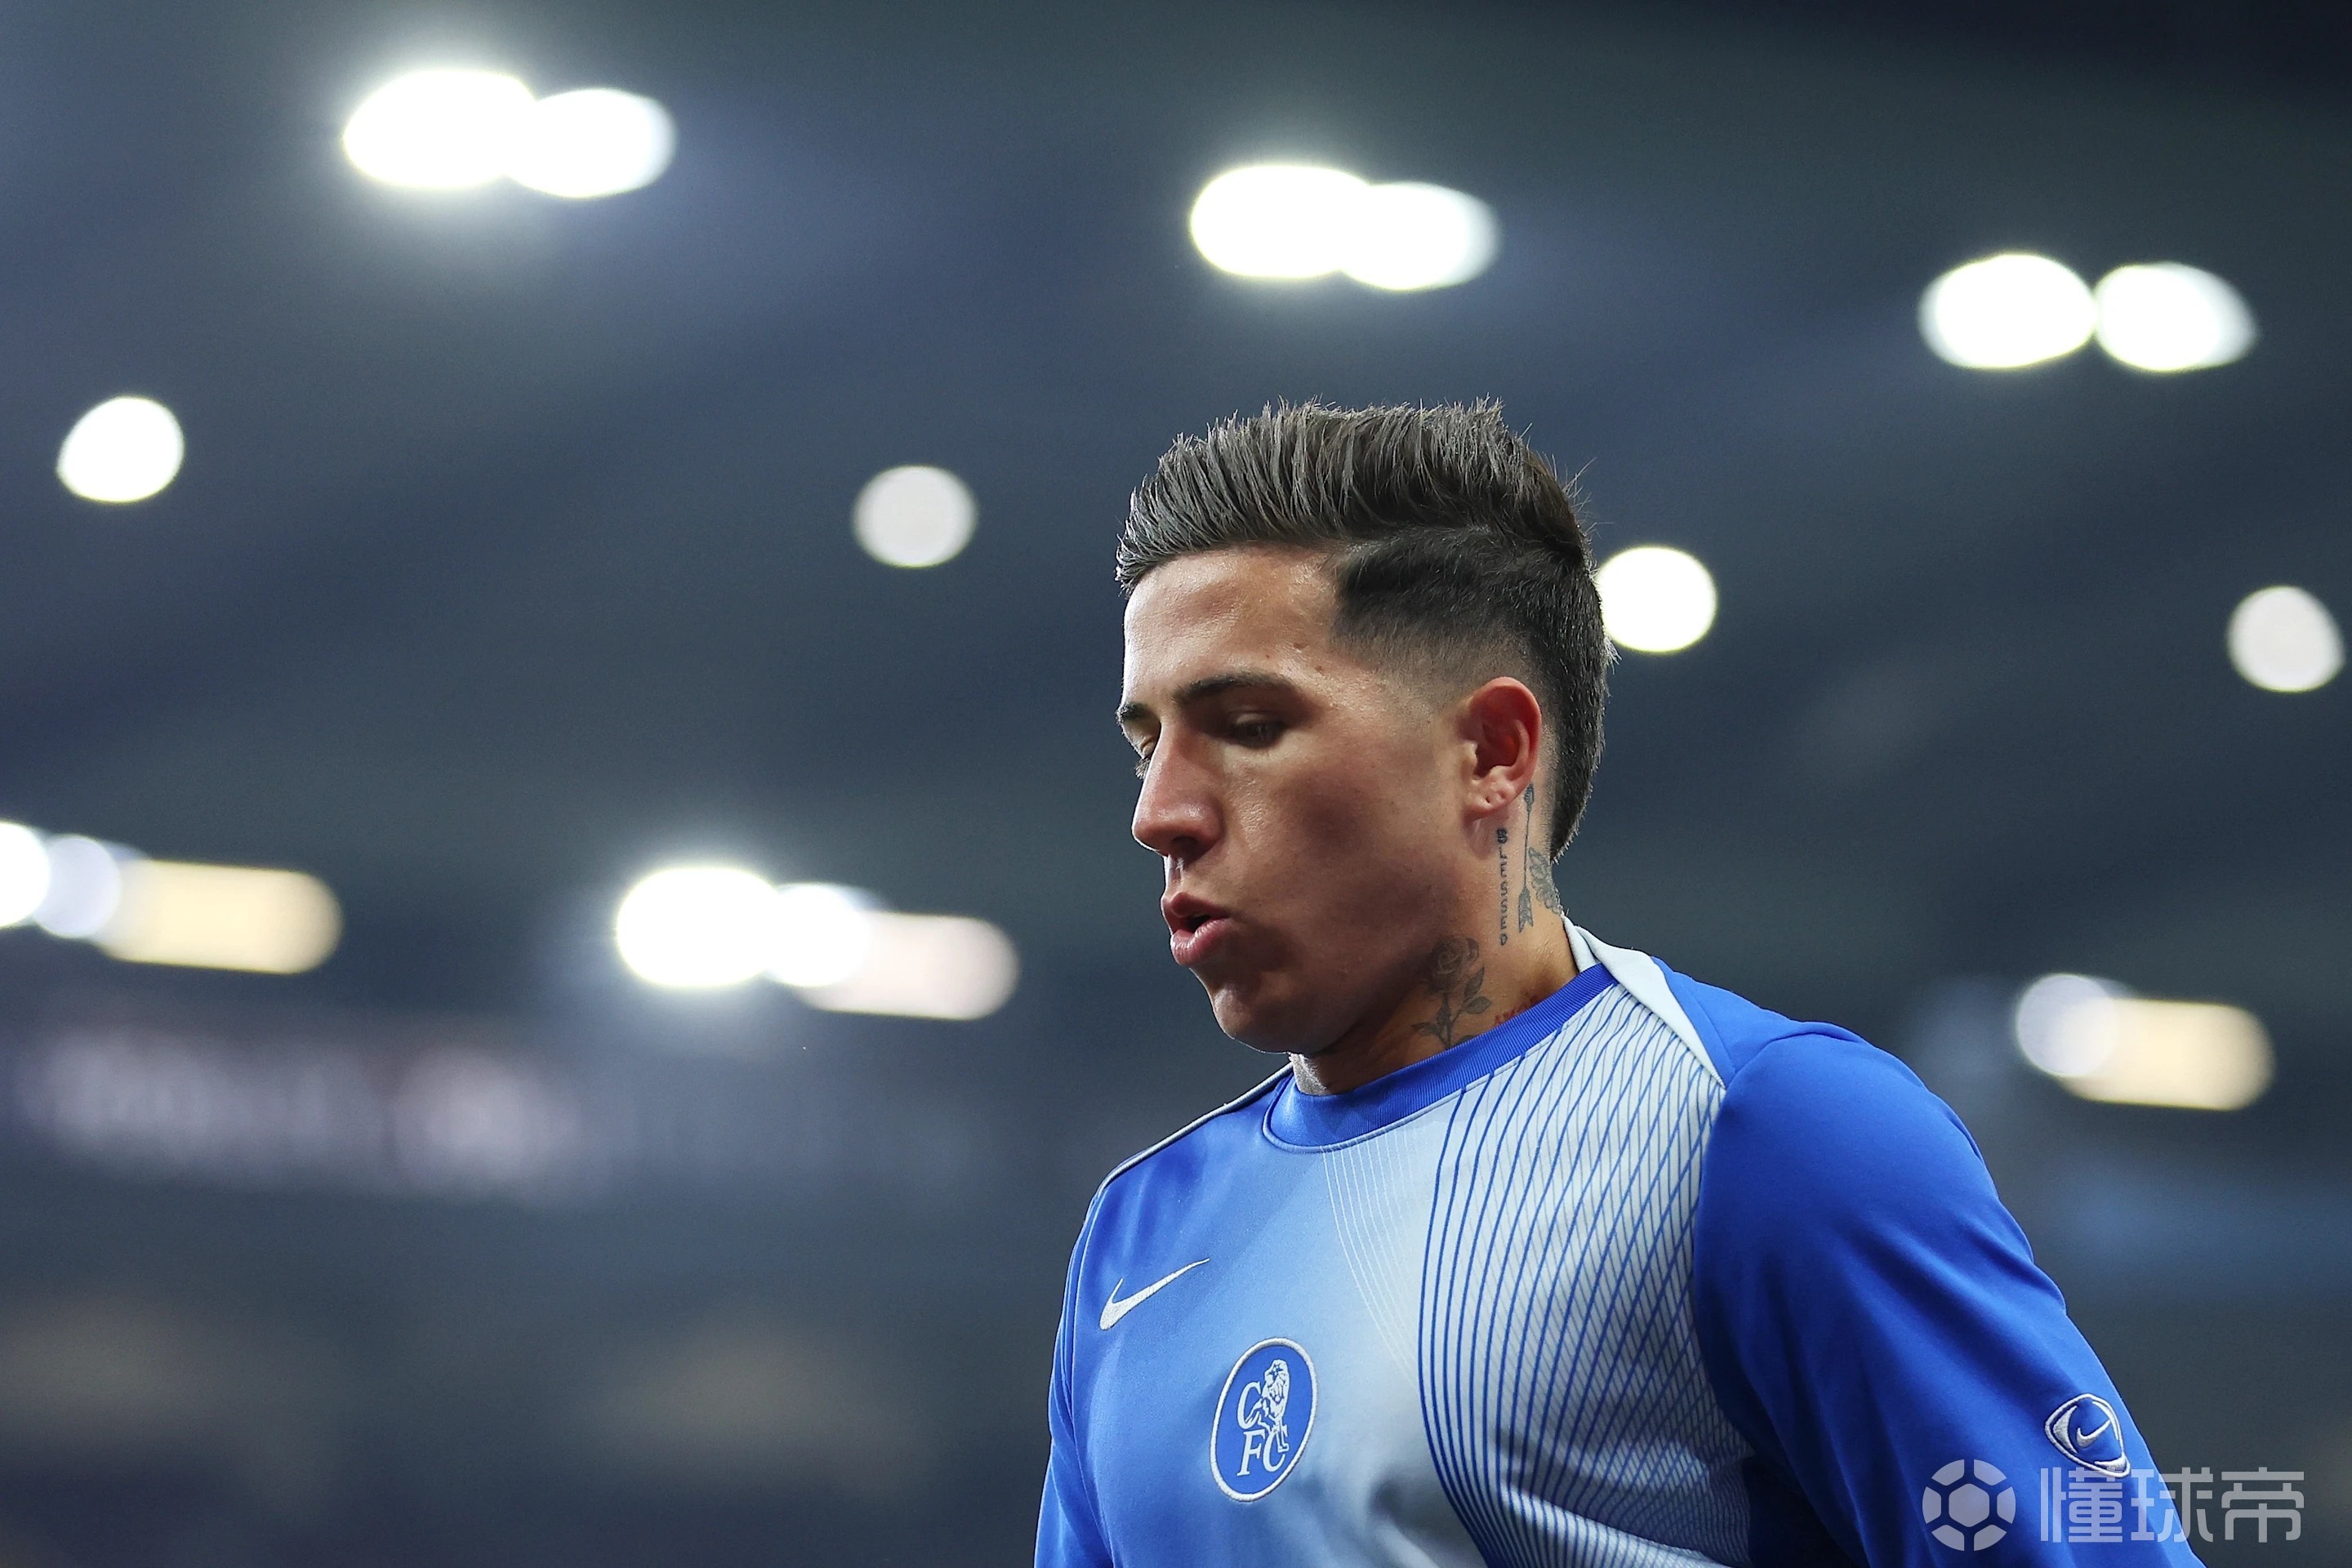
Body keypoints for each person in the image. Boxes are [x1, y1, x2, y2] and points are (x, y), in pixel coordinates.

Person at [1036, 402, 2199, 1568]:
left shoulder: (1764, 1134)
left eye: (1247, 726)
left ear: (1492, 753)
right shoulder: (1139, 1237)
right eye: (1146, 747)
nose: (1160, 814)